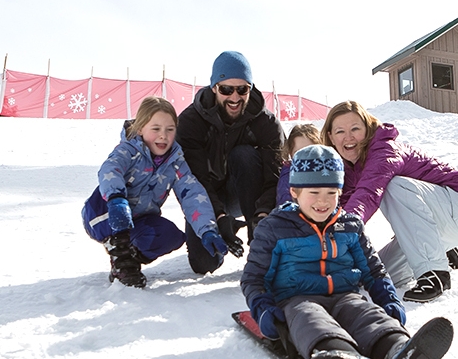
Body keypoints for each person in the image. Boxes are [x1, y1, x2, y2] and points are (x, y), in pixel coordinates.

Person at [240, 145, 454, 359]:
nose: (323, 200)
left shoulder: (350, 225)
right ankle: (342, 358)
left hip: (345, 295)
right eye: (314, 191)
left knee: (367, 315)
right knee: (310, 319)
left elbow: (373, 271)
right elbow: (254, 278)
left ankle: (399, 353)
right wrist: (264, 310)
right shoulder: (274, 228)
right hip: (296, 298)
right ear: (294, 192)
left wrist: (389, 301)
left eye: (332, 192)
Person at [321, 101, 458, 302]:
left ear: (368, 129)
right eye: (340, 131)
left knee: (393, 185)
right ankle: (442, 249)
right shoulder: (347, 169)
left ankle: (435, 273)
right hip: (438, 221)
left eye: (355, 128)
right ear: (330, 136)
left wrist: (343, 229)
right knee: (372, 275)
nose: (348, 137)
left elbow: (367, 194)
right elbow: (342, 209)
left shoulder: (383, 150)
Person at [82, 97, 228, 288]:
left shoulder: (175, 162)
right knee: (119, 215)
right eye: (156, 129)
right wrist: (116, 198)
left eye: (170, 129)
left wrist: (207, 230)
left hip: (140, 218)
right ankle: (120, 258)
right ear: (141, 128)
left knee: (170, 236)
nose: (163, 136)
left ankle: (131, 257)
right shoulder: (129, 151)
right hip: (104, 212)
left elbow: (192, 194)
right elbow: (110, 169)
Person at [176, 50, 285, 274]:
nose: (234, 98)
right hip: (206, 195)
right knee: (203, 264)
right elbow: (193, 178)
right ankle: (219, 236)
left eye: (242, 89)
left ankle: (258, 244)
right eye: (226, 89)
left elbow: (275, 175)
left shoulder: (266, 123)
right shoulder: (190, 122)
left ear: (250, 89)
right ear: (214, 87)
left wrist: (262, 215)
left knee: (244, 154)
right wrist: (218, 216)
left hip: (247, 193)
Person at [276, 123, 321, 206]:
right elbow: (285, 203)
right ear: (291, 153)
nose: (305, 158)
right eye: (298, 153)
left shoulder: (327, 172)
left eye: (310, 152)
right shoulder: (288, 175)